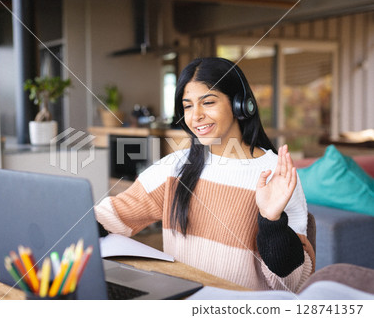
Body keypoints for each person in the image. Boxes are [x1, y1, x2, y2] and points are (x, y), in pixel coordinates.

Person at [95, 57, 315, 292]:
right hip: (183, 301)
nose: (195, 115)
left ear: (240, 105)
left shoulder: (276, 175)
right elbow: (113, 216)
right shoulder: (174, 167)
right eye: (188, 106)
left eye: (208, 102)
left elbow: (291, 285)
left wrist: (272, 223)